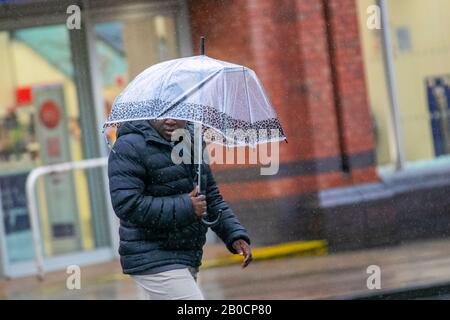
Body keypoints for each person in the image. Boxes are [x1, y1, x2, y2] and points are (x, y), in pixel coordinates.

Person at [108, 118, 252, 300]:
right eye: (163, 114)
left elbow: (210, 197)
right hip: (152, 254)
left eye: (176, 113)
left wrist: (234, 234)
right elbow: (127, 204)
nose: (170, 120)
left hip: (185, 252)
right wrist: (187, 206)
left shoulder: (191, 140)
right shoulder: (128, 146)